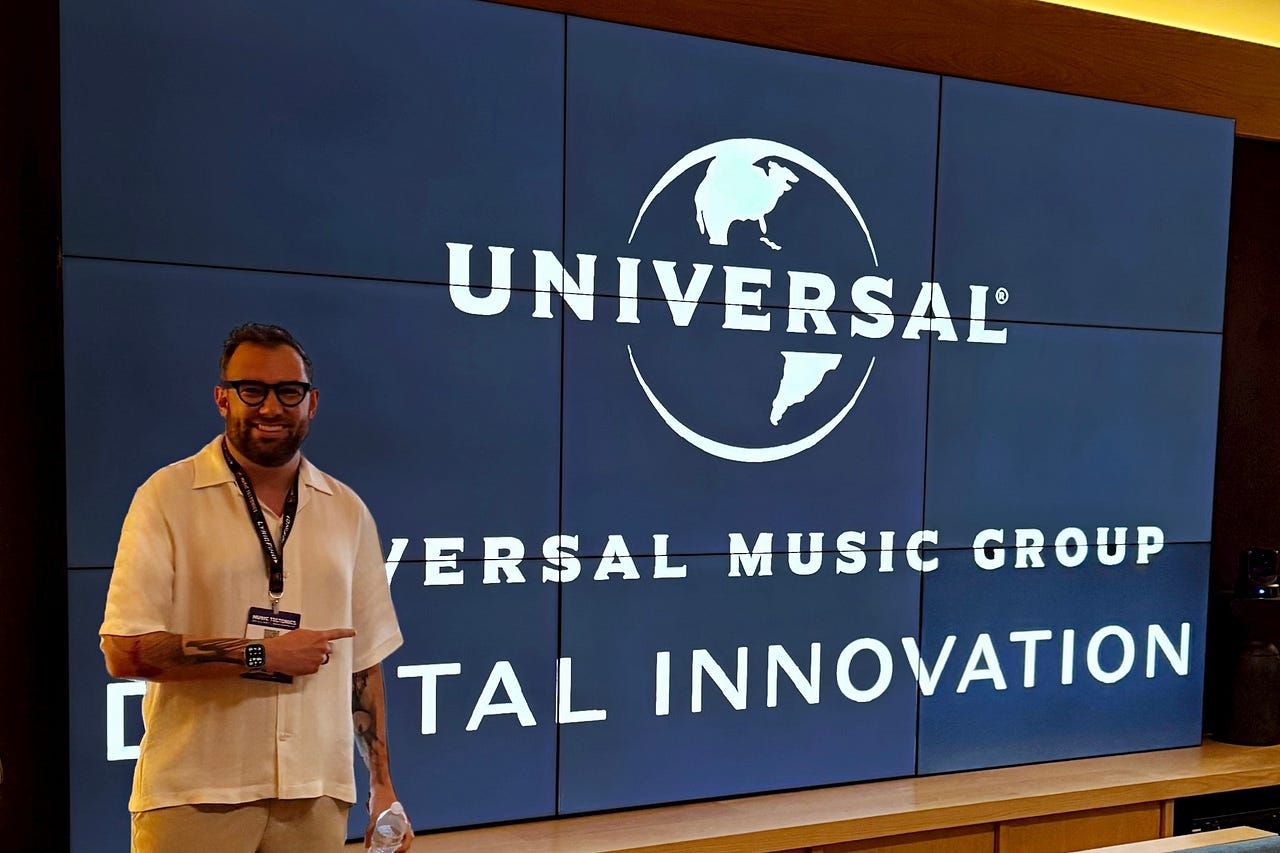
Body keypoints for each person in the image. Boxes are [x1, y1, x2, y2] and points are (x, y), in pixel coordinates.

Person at [100, 323, 413, 853]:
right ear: (223, 398)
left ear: (312, 403)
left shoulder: (346, 509)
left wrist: (382, 786)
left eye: (288, 391)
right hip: (195, 794)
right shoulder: (166, 497)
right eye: (253, 390)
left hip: (316, 795)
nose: (271, 407)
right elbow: (124, 650)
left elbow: (363, 662)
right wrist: (261, 653)